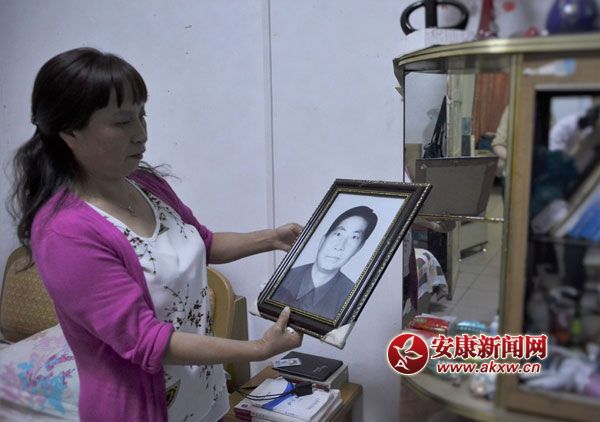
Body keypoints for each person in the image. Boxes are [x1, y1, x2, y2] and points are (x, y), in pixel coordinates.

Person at [9, 47, 303, 422]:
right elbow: (147, 341)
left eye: (142, 115)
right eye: (122, 122)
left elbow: (202, 242)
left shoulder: (145, 184)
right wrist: (258, 349)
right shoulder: (64, 233)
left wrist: (272, 238)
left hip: (203, 395)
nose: (141, 134)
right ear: (69, 132)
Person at [272, 206, 377, 320]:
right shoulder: (283, 278)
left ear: (358, 248)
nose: (340, 246)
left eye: (354, 237)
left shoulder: (352, 297)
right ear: (323, 239)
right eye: (338, 234)